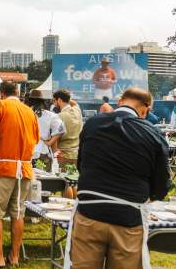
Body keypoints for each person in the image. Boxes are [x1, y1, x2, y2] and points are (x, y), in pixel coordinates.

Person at [64, 88, 170, 269]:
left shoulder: (92, 124)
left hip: (90, 211)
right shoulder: (153, 134)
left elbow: (81, 165)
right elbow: (162, 184)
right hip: (128, 217)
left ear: (120, 101)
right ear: (145, 109)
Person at [0, 82, 39, 267]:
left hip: (4, 167)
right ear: (18, 92)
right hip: (25, 169)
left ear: (1, 93)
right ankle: (14, 256)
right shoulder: (30, 112)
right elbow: (35, 139)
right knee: (18, 213)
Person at [26, 89, 65, 169]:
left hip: (26, 150)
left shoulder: (23, 113)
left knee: (27, 178)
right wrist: (50, 142)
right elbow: (61, 129)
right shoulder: (50, 115)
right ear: (42, 102)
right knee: (44, 179)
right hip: (42, 150)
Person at [52, 89, 83, 168]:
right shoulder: (77, 110)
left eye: (54, 101)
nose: (54, 104)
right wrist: (66, 97)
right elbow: (75, 103)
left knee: (62, 179)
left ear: (59, 100)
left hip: (63, 156)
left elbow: (55, 138)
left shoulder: (59, 116)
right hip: (77, 155)